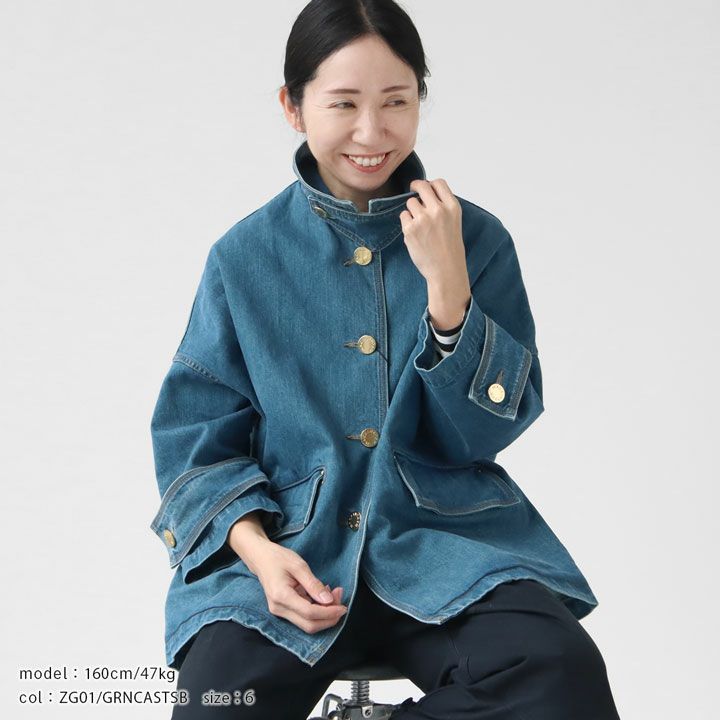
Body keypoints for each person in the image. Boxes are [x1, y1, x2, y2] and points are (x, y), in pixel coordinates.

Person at [148, 1, 622, 717]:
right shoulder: (243, 257)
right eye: (343, 103)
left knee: (560, 677)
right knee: (215, 704)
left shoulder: (476, 240)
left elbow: (484, 433)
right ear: (293, 106)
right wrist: (259, 553)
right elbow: (194, 437)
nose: (371, 133)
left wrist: (449, 293)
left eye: (396, 102)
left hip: (447, 544)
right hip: (290, 554)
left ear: (420, 101)